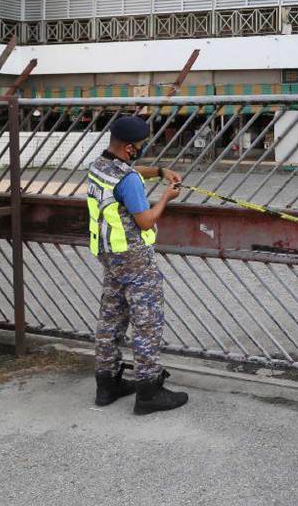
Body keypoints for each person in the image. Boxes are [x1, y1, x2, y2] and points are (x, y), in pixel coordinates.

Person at [87, 115, 189, 415]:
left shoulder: (99, 166)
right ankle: (148, 391)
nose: (142, 150)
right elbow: (145, 219)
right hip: (134, 258)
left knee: (111, 318)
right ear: (130, 147)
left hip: (110, 253)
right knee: (147, 323)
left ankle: (107, 384)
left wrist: (158, 170)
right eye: (141, 146)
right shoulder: (128, 180)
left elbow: (128, 174)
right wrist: (166, 197)